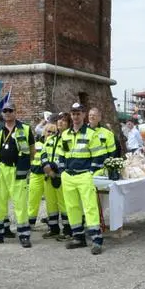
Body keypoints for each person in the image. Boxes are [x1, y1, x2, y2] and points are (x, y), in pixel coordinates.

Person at [0, 103, 35, 248]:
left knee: (20, 204)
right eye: (5, 111)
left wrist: (25, 166)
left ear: (15, 112)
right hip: (0, 170)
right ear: (2, 113)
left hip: (17, 170)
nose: (7, 113)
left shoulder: (25, 129)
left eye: (10, 110)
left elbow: (32, 150)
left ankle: (24, 235)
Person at [58, 103, 104, 254]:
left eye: (78, 113)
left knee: (90, 207)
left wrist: (91, 172)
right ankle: (78, 237)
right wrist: (62, 170)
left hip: (84, 175)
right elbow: (61, 154)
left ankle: (96, 240)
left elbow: (99, 156)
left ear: (84, 115)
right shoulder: (65, 134)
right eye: (73, 113)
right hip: (68, 176)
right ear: (70, 115)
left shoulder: (91, 134)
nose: (75, 116)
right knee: (72, 207)